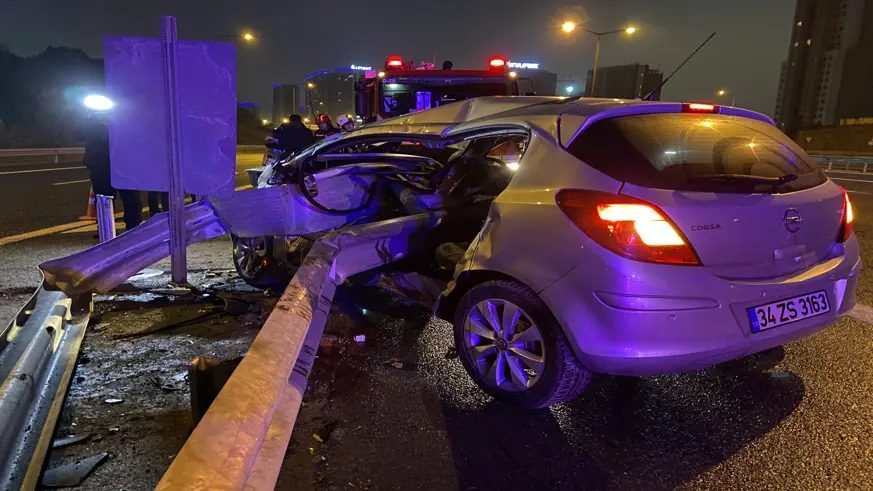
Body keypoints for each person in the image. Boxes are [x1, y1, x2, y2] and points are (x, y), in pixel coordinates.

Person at [75, 117, 142, 233]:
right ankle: (104, 229)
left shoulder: (131, 110)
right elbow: (78, 134)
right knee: (103, 198)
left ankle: (134, 229)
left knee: (131, 197)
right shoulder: (92, 116)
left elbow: (141, 132)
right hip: (100, 161)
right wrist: (89, 120)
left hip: (126, 161)